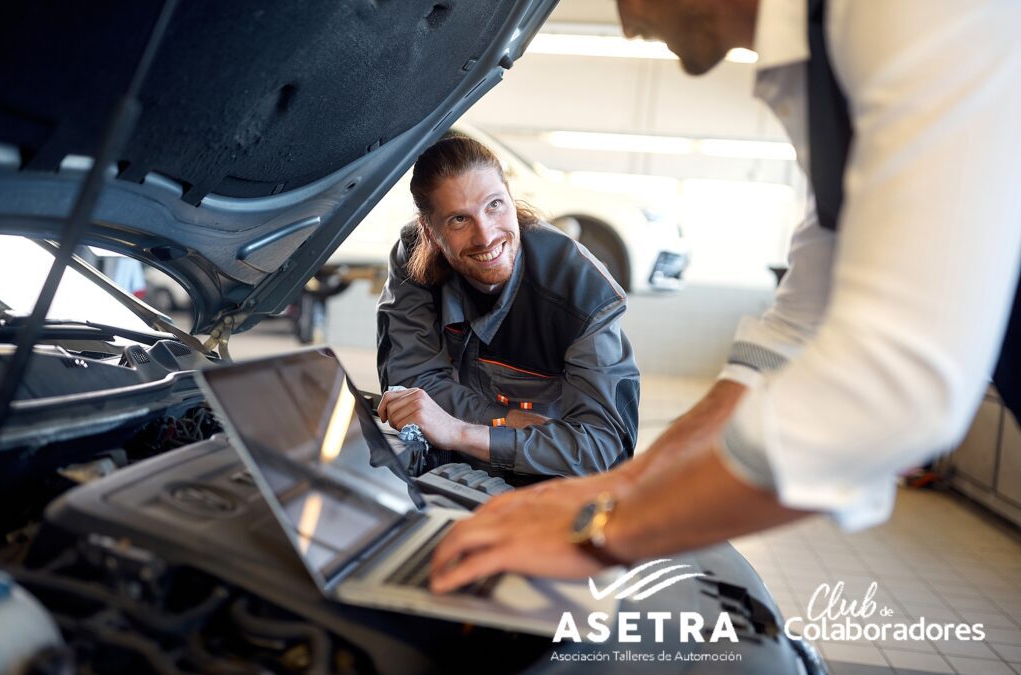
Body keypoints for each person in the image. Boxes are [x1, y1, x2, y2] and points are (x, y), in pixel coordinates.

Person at [429, 0, 1021, 592]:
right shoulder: (826, 57)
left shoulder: (912, 16)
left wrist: (602, 531)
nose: (629, 23)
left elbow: (896, 389)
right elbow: (792, 329)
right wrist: (615, 491)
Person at [375, 135, 641, 481]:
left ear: (511, 199)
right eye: (459, 219)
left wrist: (461, 430)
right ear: (430, 230)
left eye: (494, 205)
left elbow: (603, 449)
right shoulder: (415, 259)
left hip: (547, 480)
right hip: (454, 468)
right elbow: (411, 391)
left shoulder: (581, 291)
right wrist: (506, 420)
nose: (485, 236)